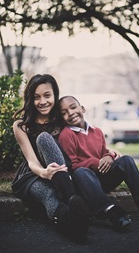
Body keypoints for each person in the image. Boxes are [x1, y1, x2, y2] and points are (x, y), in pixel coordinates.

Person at [57, 95, 139, 229]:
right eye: (64, 113)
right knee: (81, 172)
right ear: (61, 118)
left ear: (82, 109)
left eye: (73, 107)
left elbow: (104, 153)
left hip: (103, 179)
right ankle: (111, 210)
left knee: (126, 160)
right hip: (85, 185)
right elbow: (72, 166)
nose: (70, 113)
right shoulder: (66, 134)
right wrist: (93, 162)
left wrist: (109, 156)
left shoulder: (97, 131)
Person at [11, 74, 90, 242]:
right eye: (36, 97)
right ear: (30, 99)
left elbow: (85, 136)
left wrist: (109, 151)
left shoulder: (62, 118)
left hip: (63, 174)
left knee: (45, 139)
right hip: (34, 174)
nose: (42, 102)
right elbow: (31, 160)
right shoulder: (21, 125)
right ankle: (72, 216)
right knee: (48, 194)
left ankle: (72, 216)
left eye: (47, 95)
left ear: (55, 95)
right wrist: (45, 173)